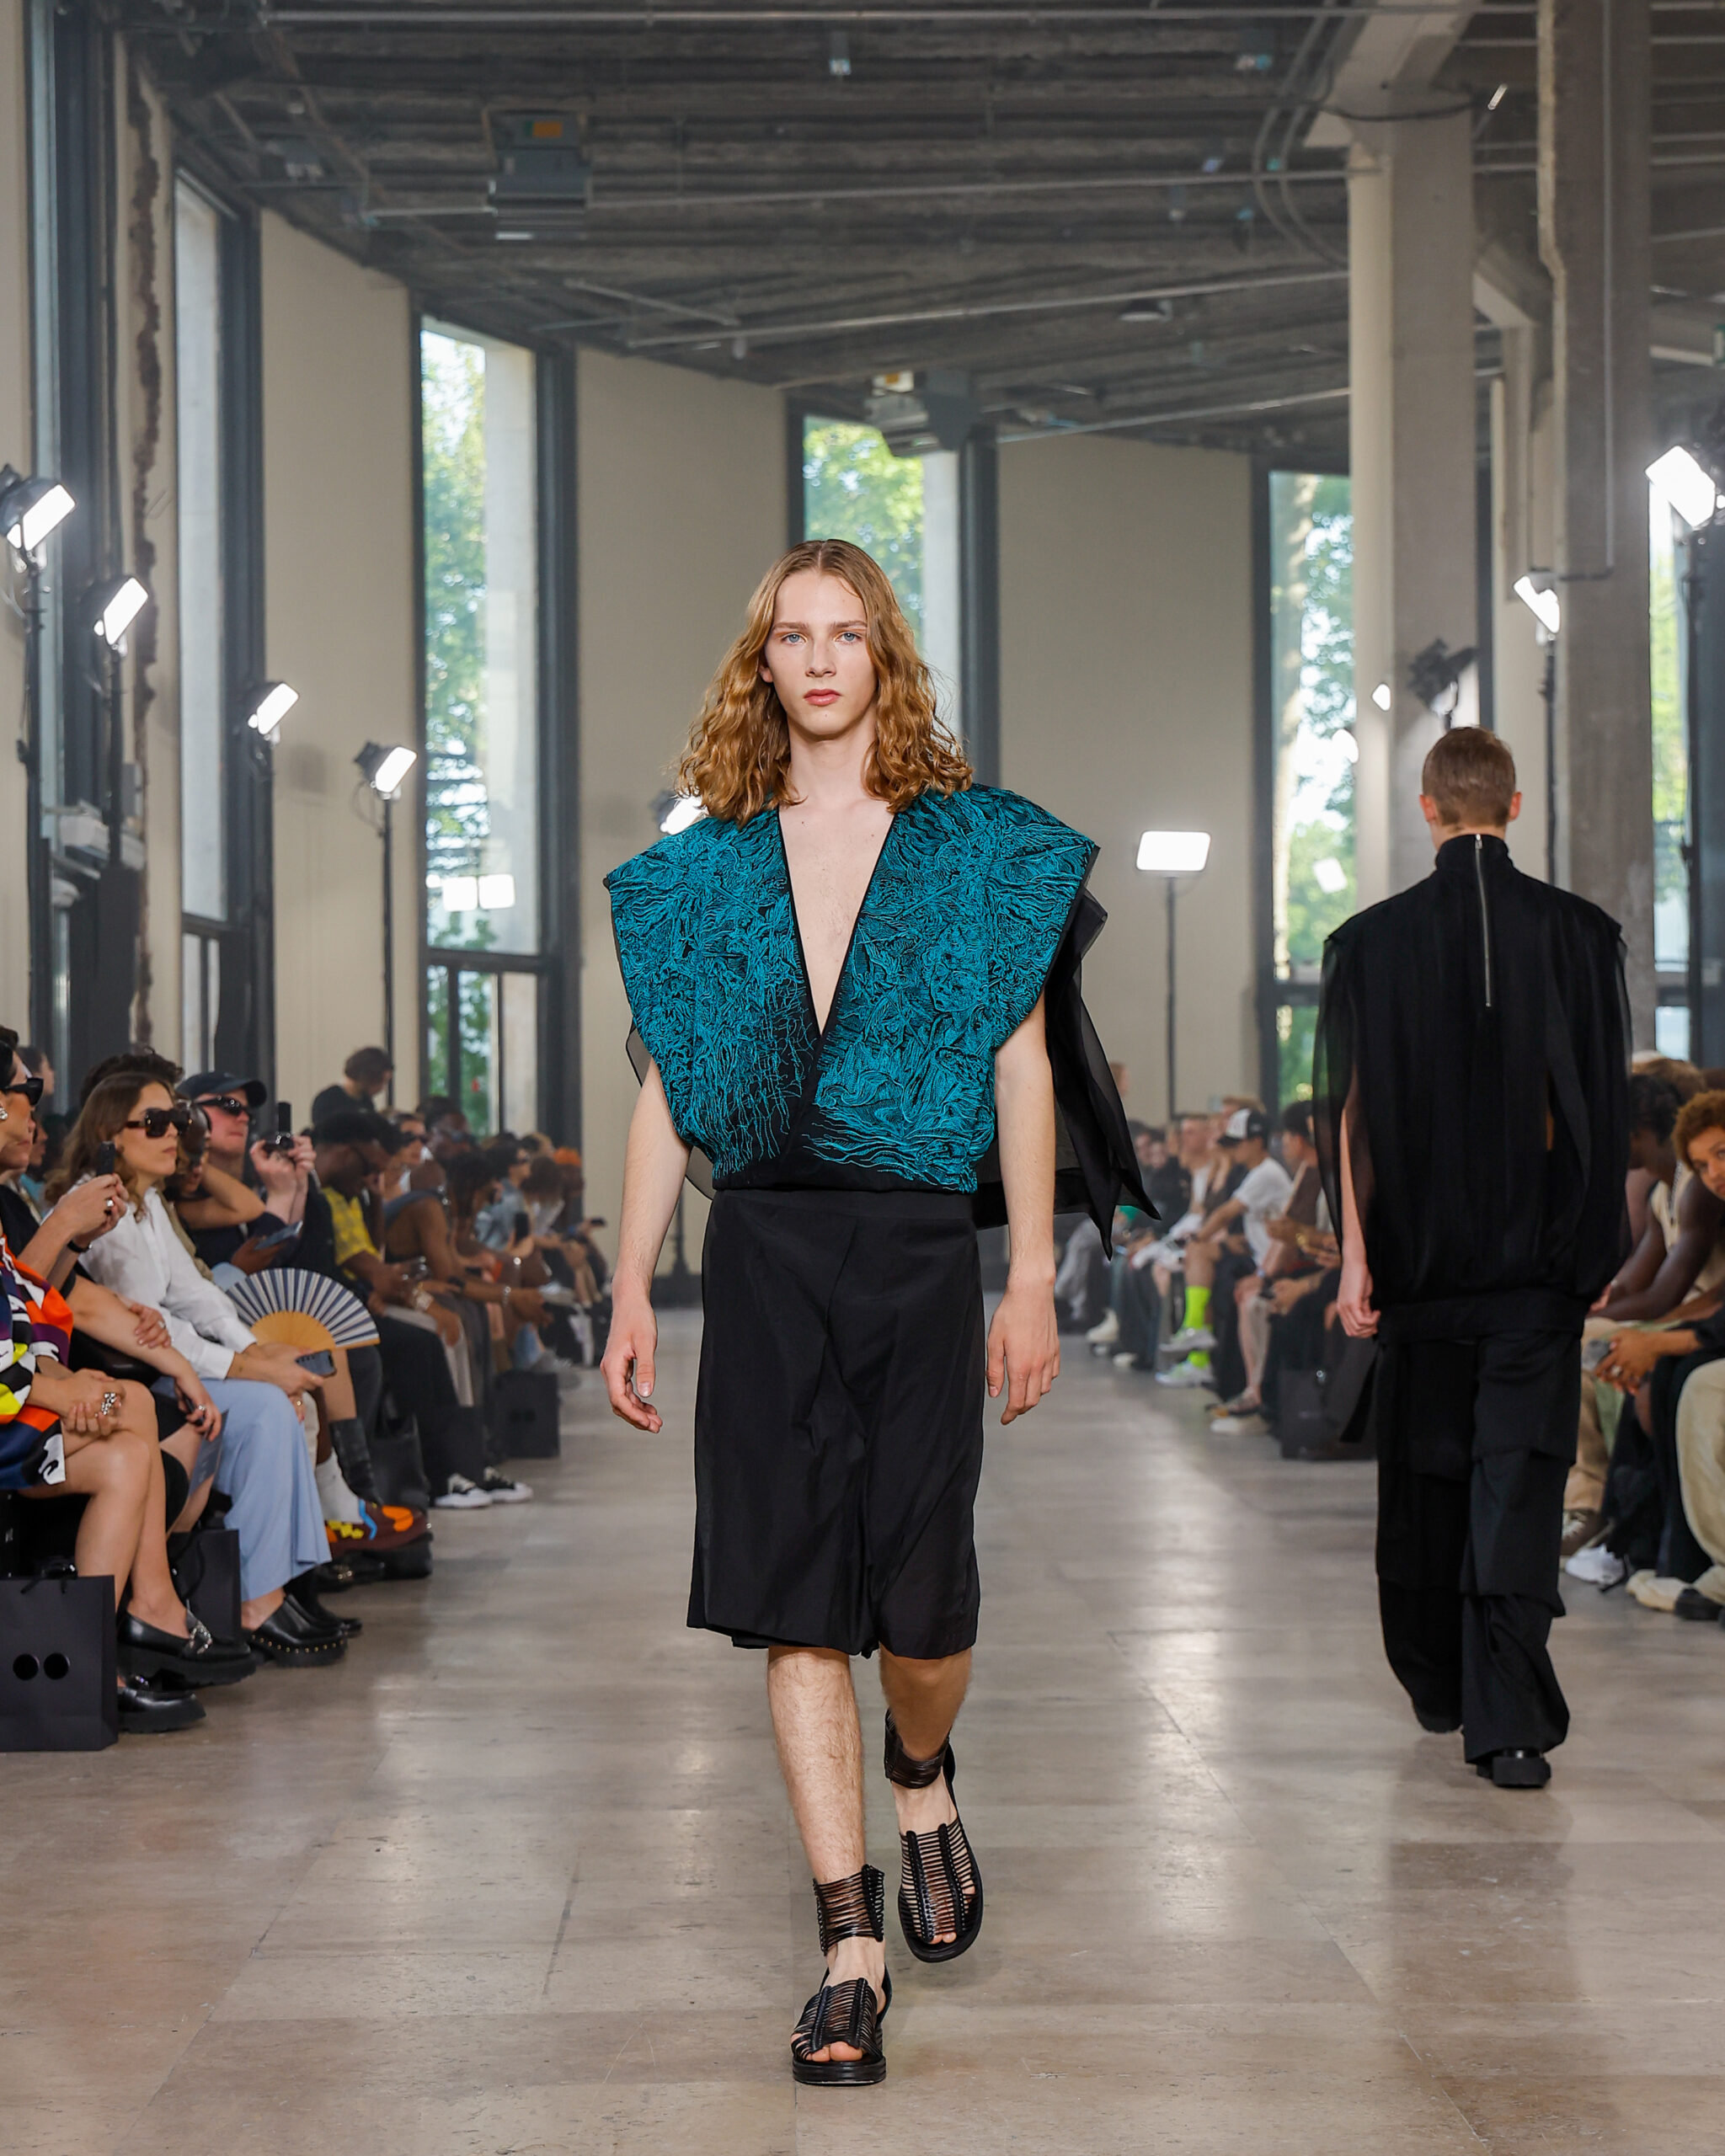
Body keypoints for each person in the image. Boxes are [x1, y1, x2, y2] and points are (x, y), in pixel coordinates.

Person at [601, 537, 1145, 2089]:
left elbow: (1021, 1067)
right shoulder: (705, 868)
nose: (822, 658)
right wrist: (631, 1279)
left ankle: (923, 1769)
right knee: (791, 1601)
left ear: (882, 655)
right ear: (761, 662)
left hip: (916, 1251)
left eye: (847, 633)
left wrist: (1028, 1275)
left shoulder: (971, 849)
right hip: (764, 1251)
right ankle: (847, 1946)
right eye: (795, 635)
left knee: (925, 1604)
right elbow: (668, 1093)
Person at [1315, 728, 1629, 1790]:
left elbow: (1351, 1112)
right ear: (1514, 803)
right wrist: (1594, 1240)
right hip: (1535, 1266)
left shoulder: (1371, 941)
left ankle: (1440, 1680)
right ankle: (1507, 1724)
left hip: (1422, 1265)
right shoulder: (1579, 935)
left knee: (1430, 1474)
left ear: (1426, 808)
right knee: (1516, 1483)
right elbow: (1598, 1105)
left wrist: (1355, 1257)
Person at [54, 1075, 345, 1665]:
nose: (174, 1135)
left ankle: (281, 1585)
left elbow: (196, 1296)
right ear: (110, 1133)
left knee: (290, 1397)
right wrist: (243, 1367)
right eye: (155, 1123)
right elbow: (144, 1325)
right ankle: (250, 1601)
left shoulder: (144, 1200)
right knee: (266, 1410)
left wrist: (254, 1351)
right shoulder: (98, 1205)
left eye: (177, 1121)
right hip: (129, 1376)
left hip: (149, 1370)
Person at [310, 1046, 394, 1130]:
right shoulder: (327, 1100)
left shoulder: (367, 1102)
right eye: (382, 1081)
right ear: (369, 1077)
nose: (382, 1088)